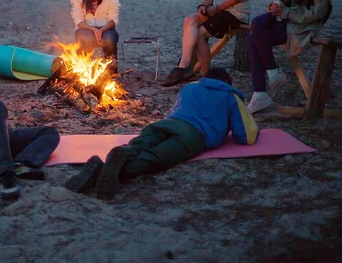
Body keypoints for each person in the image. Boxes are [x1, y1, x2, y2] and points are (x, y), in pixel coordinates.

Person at [66, 68, 259, 201]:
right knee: (155, 158)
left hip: (166, 124)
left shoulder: (190, 87)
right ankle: (109, 172)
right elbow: (243, 136)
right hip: (193, 135)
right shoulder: (230, 96)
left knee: (138, 145)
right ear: (226, 82)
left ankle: (114, 158)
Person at [246, 0, 333, 114]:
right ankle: (271, 77)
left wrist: (286, 12)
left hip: (303, 26)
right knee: (255, 25)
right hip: (284, 18)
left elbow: (321, 10)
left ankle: (262, 90)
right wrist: (275, 6)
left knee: (252, 37)